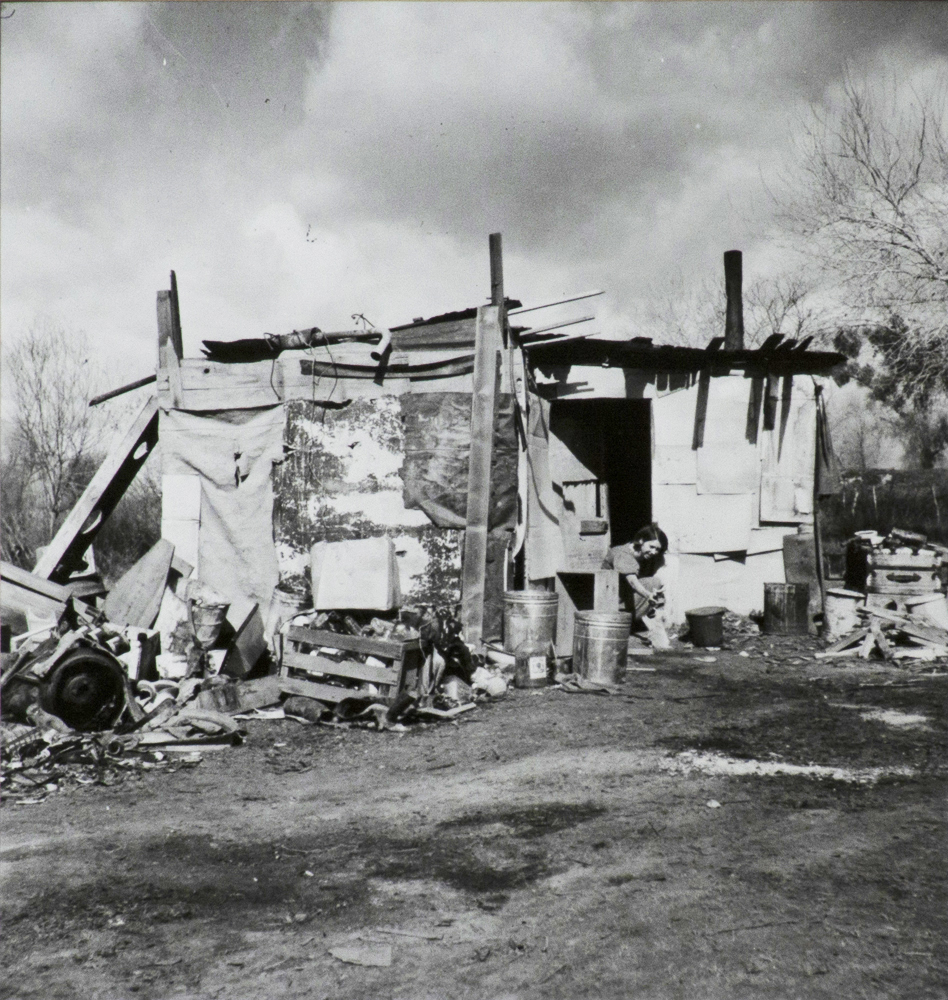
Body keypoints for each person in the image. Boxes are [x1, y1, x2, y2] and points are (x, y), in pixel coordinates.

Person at [603, 522, 668, 623]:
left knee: (654, 583)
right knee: (652, 582)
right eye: (651, 547)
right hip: (608, 599)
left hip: (621, 594)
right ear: (641, 541)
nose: (654, 552)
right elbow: (633, 582)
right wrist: (648, 595)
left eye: (657, 549)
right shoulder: (623, 554)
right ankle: (621, 621)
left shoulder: (641, 555)